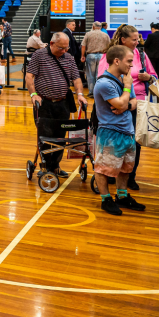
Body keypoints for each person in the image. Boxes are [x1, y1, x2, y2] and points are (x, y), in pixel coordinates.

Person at [98, 24, 157, 190]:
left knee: (134, 143)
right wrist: (122, 101)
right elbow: (103, 79)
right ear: (123, 40)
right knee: (115, 142)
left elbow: (154, 76)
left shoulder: (141, 54)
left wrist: (148, 77)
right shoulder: (109, 56)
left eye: (138, 39)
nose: (137, 42)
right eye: (134, 39)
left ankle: (131, 176)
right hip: (115, 105)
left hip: (137, 104)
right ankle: (111, 174)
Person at [92, 45, 146, 216]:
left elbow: (133, 102)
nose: (131, 65)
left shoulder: (122, 80)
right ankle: (105, 199)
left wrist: (126, 105)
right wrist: (127, 90)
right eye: (129, 61)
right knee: (103, 169)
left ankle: (122, 196)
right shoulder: (104, 83)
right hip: (110, 133)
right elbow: (123, 103)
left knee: (125, 168)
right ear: (116, 61)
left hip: (127, 130)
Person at [26, 32, 88, 178]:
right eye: (61, 48)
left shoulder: (69, 57)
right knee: (45, 136)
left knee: (61, 136)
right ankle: (45, 166)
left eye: (66, 48)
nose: (64, 51)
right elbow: (29, 76)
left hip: (63, 103)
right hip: (44, 103)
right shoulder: (39, 55)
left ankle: (55, 166)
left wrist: (80, 94)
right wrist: (33, 94)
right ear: (52, 44)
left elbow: (76, 79)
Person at [80, 21, 110, 96]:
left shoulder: (88, 34)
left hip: (91, 55)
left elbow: (83, 46)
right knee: (99, 74)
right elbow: (109, 46)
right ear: (100, 27)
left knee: (90, 75)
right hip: (102, 56)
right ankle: (98, 92)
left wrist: (82, 55)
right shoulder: (105, 35)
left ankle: (91, 92)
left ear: (93, 26)